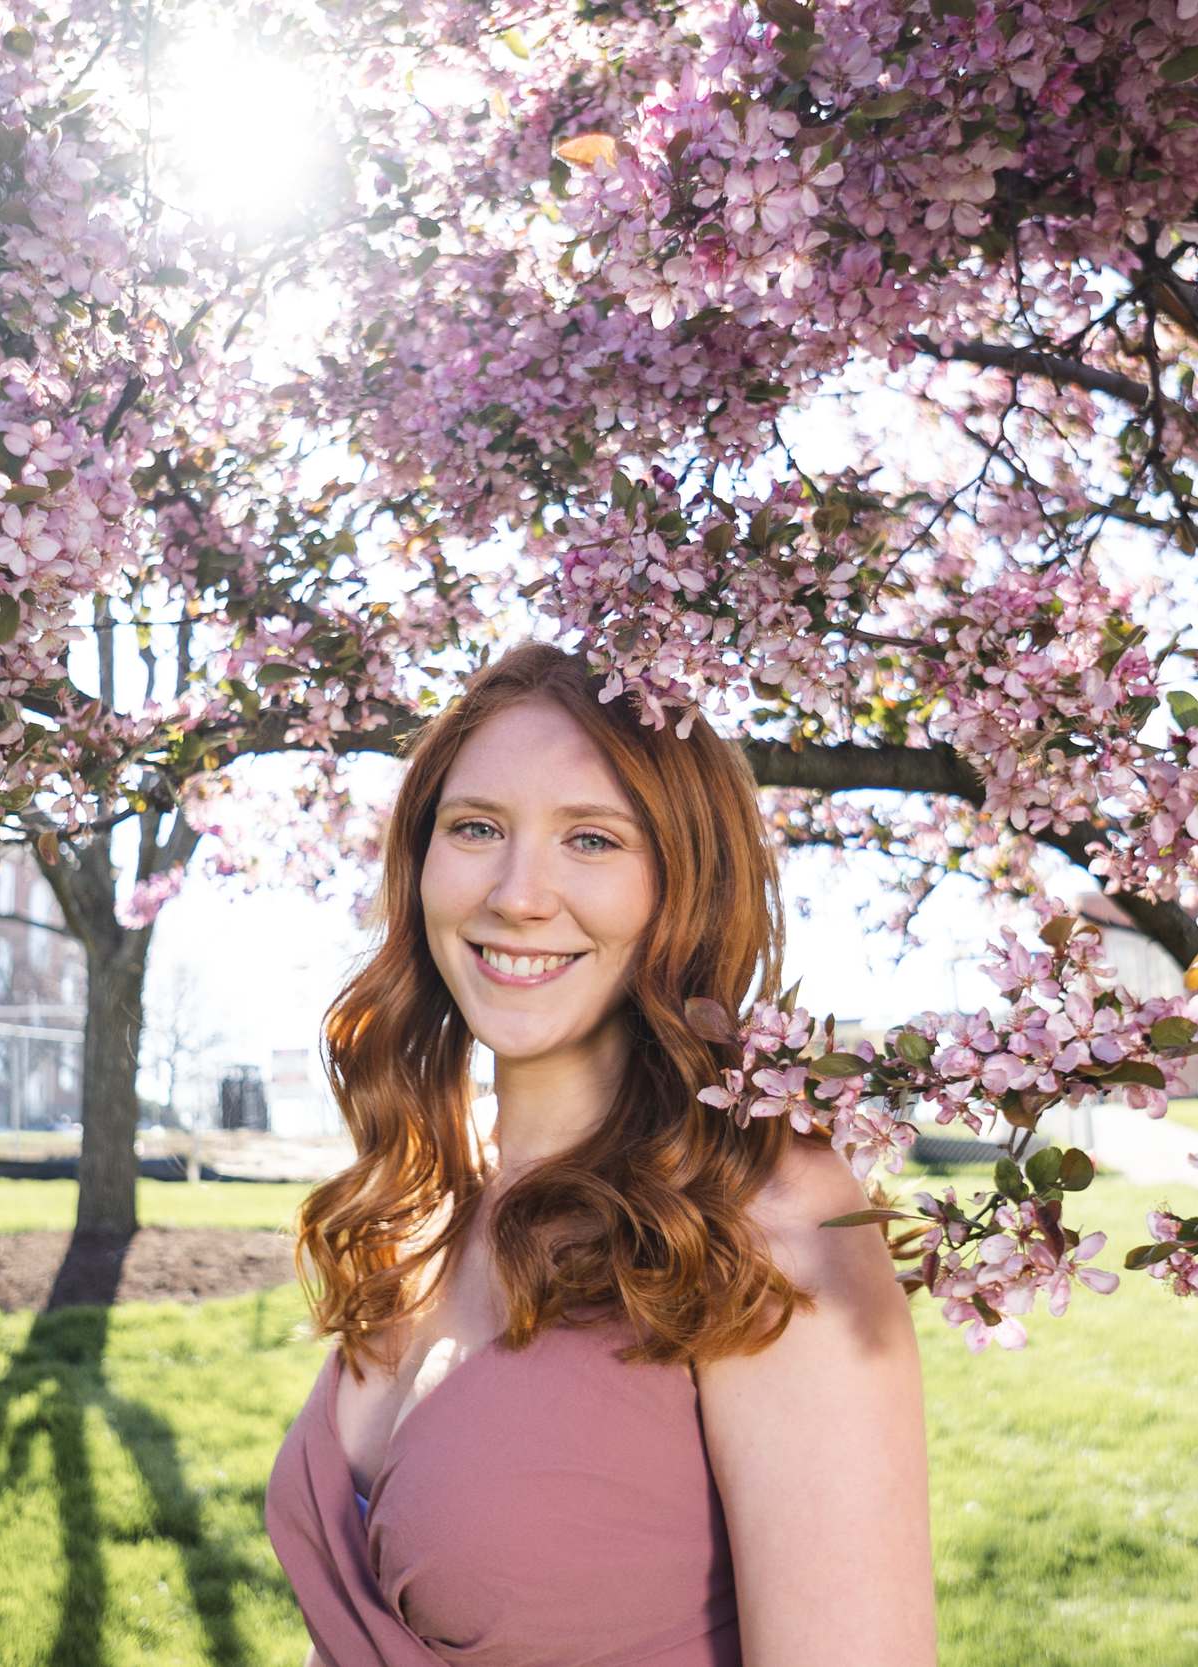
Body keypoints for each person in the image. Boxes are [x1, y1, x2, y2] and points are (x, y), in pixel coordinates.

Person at [266, 644, 933, 1667]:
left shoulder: (767, 1216)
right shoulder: (431, 1195)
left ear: (683, 884)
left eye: (591, 838)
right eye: (476, 827)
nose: (519, 893)